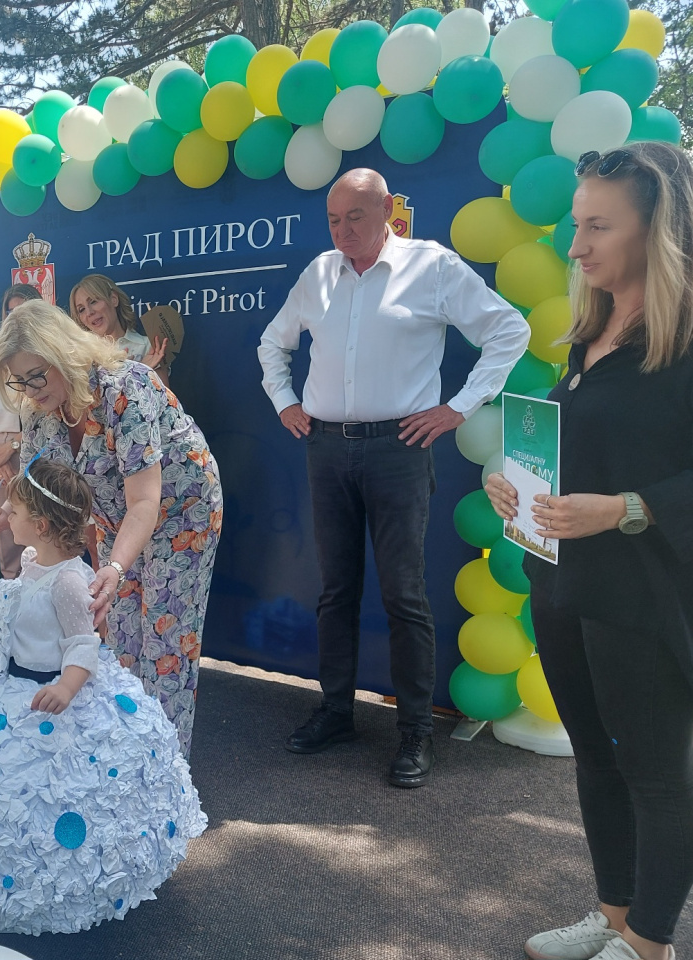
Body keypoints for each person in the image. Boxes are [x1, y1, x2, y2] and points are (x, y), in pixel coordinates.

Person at [485, 142, 693, 960]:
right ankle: (613, 915)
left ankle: (649, 941)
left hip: (645, 593)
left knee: (655, 770)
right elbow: (592, 448)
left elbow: (646, 481)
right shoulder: (591, 334)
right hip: (564, 583)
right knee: (596, 761)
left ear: (658, 227)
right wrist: (515, 482)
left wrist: (629, 509)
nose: (576, 247)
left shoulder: (685, 339)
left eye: (598, 227)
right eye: (576, 225)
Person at [258, 167, 529, 787]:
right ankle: (336, 712)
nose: (343, 231)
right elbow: (272, 344)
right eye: (333, 220)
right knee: (336, 591)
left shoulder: (431, 266)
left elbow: (510, 329)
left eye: (355, 217)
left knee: (404, 595)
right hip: (327, 448)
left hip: (399, 450)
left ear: (386, 211)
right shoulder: (318, 274)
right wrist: (285, 401)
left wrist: (459, 407)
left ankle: (415, 731)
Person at [0, 458, 206, 937]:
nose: (7, 514)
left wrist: (67, 687)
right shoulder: (33, 560)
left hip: (51, 689)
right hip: (8, 682)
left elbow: (83, 643)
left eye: (15, 510)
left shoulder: (70, 581)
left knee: (47, 791)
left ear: (42, 525)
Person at [0, 299, 222, 756]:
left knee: (166, 644)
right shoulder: (39, 412)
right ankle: (127, 757)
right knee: (123, 636)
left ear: (63, 353)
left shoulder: (126, 387)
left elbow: (145, 501)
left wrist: (114, 566)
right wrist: (0, 508)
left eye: (37, 375)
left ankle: (165, 770)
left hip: (181, 513)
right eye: (18, 380)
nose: (30, 390)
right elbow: (30, 482)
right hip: (119, 516)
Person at [0, 283, 41, 579]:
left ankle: (36, 590)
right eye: (10, 311)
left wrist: (12, 448)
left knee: (31, 522)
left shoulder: (44, 354)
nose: (16, 317)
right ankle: (9, 591)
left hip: (31, 447)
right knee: (2, 529)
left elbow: (47, 417)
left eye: (23, 310)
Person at [69, 274, 171, 387]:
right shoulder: (82, 359)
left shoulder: (148, 347)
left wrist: (141, 371)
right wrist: (136, 371)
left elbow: (163, 397)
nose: (89, 312)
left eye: (93, 301)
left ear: (114, 299)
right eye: (81, 309)